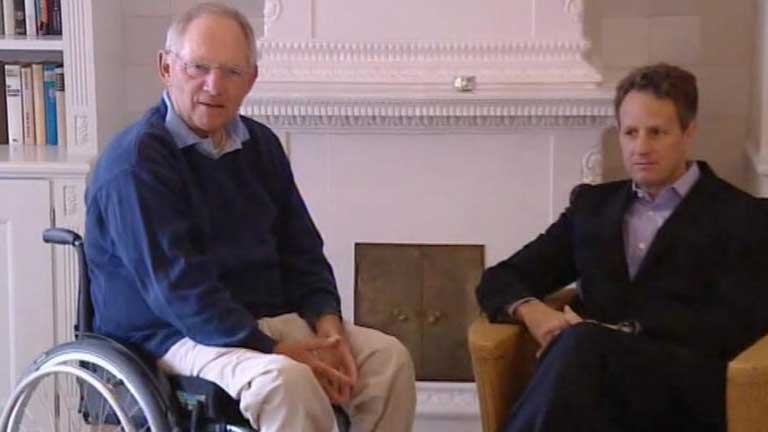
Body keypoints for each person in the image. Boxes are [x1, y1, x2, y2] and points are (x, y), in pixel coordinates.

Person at [84, 3, 415, 431]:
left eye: (232, 72)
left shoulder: (261, 146)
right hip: (170, 335)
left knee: (387, 361)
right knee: (286, 381)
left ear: (251, 80)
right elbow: (179, 290)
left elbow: (302, 251)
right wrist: (273, 349)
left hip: (263, 321)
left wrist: (328, 327)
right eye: (198, 67)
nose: (213, 85)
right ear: (166, 68)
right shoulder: (136, 164)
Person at [476, 63, 768, 432]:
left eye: (656, 132)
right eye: (631, 133)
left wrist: (609, 335)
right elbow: (500, 278)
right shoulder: (592, 208)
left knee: (579, 348)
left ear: (688, 133)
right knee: (577, 356)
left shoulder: (743, 215)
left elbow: (741, 324)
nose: (641, 148)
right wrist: (535, 313)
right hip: (591, 386)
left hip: (685, 393)